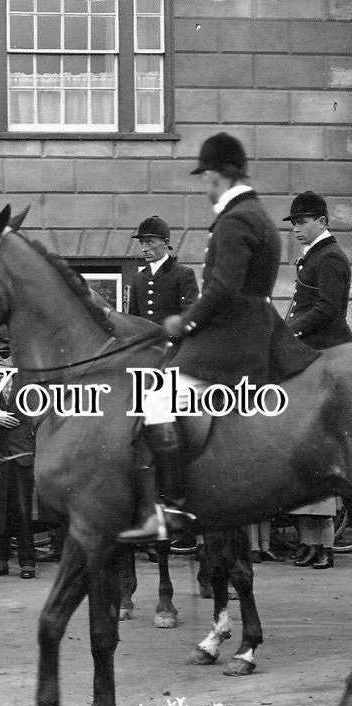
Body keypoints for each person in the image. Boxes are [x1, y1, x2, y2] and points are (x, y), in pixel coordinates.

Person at [120, 132, 319, 543]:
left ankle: (171, 506)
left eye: (206, 177)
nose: (205, 187)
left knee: (156, 397)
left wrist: (184, 323)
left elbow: (222, 290)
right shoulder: (256, 212)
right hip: (252, 330)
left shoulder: (235, 219)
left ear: (216, 175)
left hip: (231, 340)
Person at [283, 191, 350, 569]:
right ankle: (311, 543)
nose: (296, 229)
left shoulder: (331, 258)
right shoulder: (314, 257)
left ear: (322, 222)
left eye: (303, 222)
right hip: (313, 351)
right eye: (294, 223)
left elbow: (327, 309)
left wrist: (290, 332)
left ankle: (324, 543)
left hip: (328, 354)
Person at [0, 346, 38, 580]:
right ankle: (0, 560)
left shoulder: (30, 383)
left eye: (4, 355)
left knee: (23, 511)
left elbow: (41, 412)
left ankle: (27, 563)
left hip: (22, 454)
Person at [127, 215, 199, 325]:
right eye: (142, 242)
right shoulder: (138, 278)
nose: (144, 249)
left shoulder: (183, 274)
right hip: (144, 341)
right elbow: (133, 320)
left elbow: (190, 315)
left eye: (150, 242)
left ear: (166, 243)